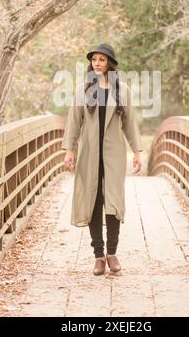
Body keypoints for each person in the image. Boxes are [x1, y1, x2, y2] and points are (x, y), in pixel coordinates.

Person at [61, 43, 143, 275]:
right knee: (93, 202)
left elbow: (130, 123)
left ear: (110, 64)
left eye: (102, 60)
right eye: (94, 60)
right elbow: (74, 121)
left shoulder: (122, 90)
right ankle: (98, 255)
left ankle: (112, 253)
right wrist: (70, 149)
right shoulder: (83, 89)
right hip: (89, 154)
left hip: (114, 154)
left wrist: (136, 152)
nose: (97, 64)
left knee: (113, 202)